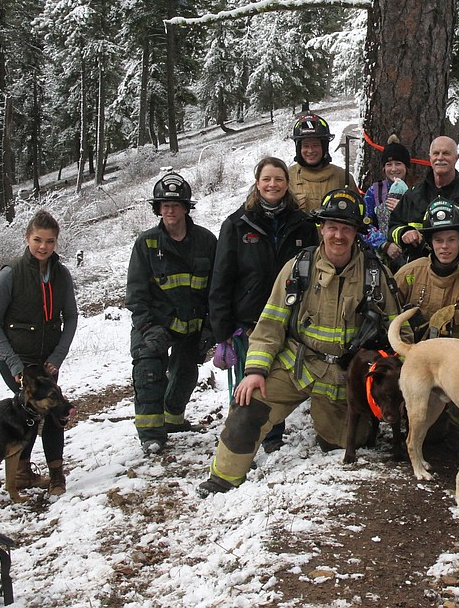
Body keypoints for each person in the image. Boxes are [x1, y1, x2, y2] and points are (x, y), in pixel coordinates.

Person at [198, 188, 401, 495]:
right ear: (321, 228)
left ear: (356, 232)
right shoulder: (297, 268)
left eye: (346, 228)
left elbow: (400, 335)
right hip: (297, 365)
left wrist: (378, 372)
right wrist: (255, 371)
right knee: (247, 406)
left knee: (344, 442)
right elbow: (270, 324)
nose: (338, 235)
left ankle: (331, 425)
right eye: (332, 226)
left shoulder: (376, 275)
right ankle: (222, 478)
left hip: (344, 379)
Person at [208, 157, 318, 452]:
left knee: (275, 379)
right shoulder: (236, 224)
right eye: (267, 179)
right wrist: (222, 331)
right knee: (249, 384)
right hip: (249, 321)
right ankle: (240, 442)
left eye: (279, 179)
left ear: (287, 183)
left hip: (291, 317)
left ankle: (271, 436)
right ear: (257, 183)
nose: (273, 185)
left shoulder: (304, 225)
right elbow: (221, 278)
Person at [0, 209, 78, 495]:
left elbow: (71, 317)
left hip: (48, 362)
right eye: (38, 239)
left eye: (50, 241)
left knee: (55, 411)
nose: (43, 247)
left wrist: (57, 357)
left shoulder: (61, 275)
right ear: (27, 238)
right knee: (28, 413)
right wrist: (14, 365)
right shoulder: (11, 274)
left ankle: (55, 475)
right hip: (16, 360)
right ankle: (21, 472)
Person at [126, 171, 218, 454]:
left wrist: (210, 327)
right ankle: (151, 434)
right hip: (154, 324)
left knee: (186, 373)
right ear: (158, 209)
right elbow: (136, 294)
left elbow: (217, 288)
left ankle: (173, 419)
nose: (170, 211)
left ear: (186, 208)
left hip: (192, 324)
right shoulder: (147, 244)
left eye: (175, 206)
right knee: (149, 372)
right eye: (165, 206)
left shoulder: (206, 241)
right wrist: (148, 328)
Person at [389, 135, 459, 269]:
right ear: (430, 158)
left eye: (446, 153)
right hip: (420, 274)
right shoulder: (414, 193)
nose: (440, 158)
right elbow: (393, 225)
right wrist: (405, 233)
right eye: (436, 153)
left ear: (456, 158)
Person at [395, 198, 459, 340]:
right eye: (438, 240)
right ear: (430, 242)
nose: (444, 246)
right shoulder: (408, 274)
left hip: (455, 360)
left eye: (451, 239)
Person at [290, 112, 357, 213]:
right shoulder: (287, 177)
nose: (310, 150)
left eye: (315, 145)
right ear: (298, 148)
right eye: (305, 146)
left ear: (324, 147)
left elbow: (357, 214)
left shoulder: (343, 177)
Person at [363, 136, 413, 271]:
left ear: (406, 167)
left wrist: (404, 209)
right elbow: (363, 225)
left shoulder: (417, 191)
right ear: (383, 168)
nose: (394, 169)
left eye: (398, 163)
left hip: (411, 257)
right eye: (389, 165)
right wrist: (384, 244)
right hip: (379, 260)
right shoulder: (375, 191)